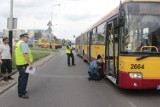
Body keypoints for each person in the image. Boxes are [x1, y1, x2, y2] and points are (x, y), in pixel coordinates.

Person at [15, 33, 33, 99]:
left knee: (21, 78)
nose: (28, 38)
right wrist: (30, 64)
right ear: (23, 37)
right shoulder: (23, 44)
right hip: (23, 64)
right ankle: (21, 93)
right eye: (27, 37)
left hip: (19, 64)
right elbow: (25, 55)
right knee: (23, 79)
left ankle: (21, 91)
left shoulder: (18, 43)